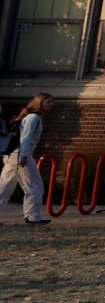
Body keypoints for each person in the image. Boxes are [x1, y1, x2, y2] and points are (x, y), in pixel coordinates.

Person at [1, 94, 50, 228]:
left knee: (5, 187)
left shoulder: (29, 117)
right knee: (34, 186)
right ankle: (32, 216)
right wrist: (25, 155)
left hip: (12, 155)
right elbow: (26, 138)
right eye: (48, 102)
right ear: (40, 103)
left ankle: (32, 216)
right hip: (21, 155)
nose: (51, 104)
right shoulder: (34, 117)